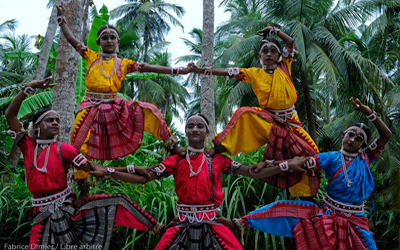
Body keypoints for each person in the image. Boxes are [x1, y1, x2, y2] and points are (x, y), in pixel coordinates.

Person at [89, 113, 308, 250]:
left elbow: (252, 172)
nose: (195, 129)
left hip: (214, 223)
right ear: (185, 131)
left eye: (199, 126)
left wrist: (286, 164)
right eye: (190, 126)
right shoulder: (176, 160)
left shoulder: (218, 159)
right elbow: (146, 176)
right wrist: (108, 171)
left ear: (207, 131)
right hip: (182, 224)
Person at [5, 78, 163, 250]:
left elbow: (94, 169)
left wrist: (132, 169)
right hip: (40, 216)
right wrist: (29, 87)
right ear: (36, 127)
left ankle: (154, 226)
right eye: (49, 120)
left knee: (117, 202)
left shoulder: (64, 149)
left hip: (67, 210)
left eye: (57, 120)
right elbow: (10, 115)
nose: (55, 123)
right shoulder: (27, 145)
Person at [231, 98, 391, 250]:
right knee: (282, 210)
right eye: (350, 134)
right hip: (329, 214)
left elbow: (386, 135)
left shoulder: (366, 157)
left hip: (357, 220)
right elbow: (301, 163)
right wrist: (270, 163)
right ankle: (241, 222)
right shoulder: (330, 158)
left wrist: (368, 112)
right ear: (343, 135)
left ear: (362, 144)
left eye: (358, 138)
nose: (352, 140)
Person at [191, 25, 320, 198]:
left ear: (279, 55)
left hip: (292, 122)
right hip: (269, 121)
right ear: (259, 55)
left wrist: (274, 30)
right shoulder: (253, 73)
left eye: (273, 51)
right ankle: (219, 148)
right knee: (243, 113)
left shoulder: (285, 66)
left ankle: (307, 197)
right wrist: (201, 71)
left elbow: (290, 42)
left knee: (313, 156)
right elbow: (226, 72)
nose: (268, 54)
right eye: (264, 50)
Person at [55, 2, 187, 166]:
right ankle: (82, 184)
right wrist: (61, 19)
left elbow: (148, 67)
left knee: (150, 111)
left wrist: (179, 71)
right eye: (105, 37)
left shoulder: (124, 63)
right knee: (78, 142)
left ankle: (171, 145)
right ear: (98, 42)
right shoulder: (91, 56)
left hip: (114, 105)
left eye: (112, 37)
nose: (109, 40)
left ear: (118, 42)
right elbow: (70, 38)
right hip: (89, 105)